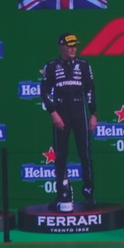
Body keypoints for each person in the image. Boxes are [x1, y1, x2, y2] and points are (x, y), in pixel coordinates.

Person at [41, 32, 97, 207]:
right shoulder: (51, 66)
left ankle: (88, 194)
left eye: (75, 45)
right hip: (61, 115)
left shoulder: (84, 65)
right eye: (69, 45)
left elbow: (90, 90)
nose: (73, 48)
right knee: (60, 156)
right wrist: (53, 113)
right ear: (61, 46)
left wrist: (93, 114)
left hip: (80, 113)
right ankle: (62, 195)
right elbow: (44, 92)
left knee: (85, 155)